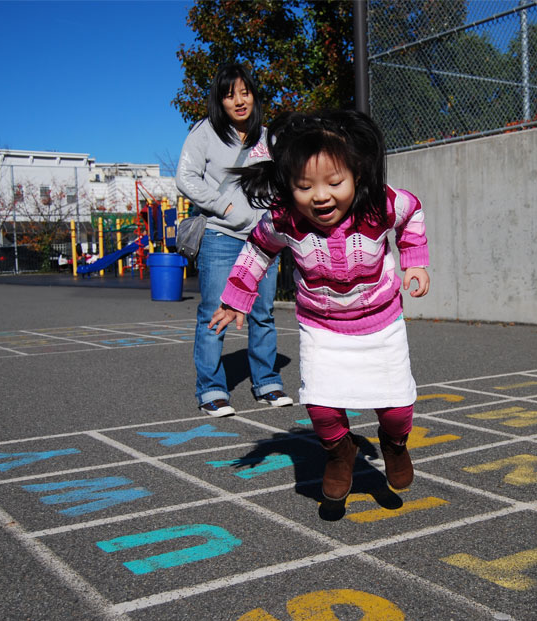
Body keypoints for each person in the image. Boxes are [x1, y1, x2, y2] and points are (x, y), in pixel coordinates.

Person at [209, 109, 430, 502]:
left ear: (357, 175)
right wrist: (235, 299)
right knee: (322, 407)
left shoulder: (380, 204)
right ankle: (339, 452)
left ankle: (395, 445)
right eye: (305, 186)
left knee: (397, 408)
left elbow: (412, 214)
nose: (321, 195)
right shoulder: (286, 219)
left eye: (334, 182)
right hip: (322, 327)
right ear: (289, 186)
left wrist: (415, 261)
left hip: (381, 323)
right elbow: (258, 249)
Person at [176, 63, 293, 417]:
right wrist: (224, 205)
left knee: (264, 312)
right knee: (214, 313)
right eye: (230, 95)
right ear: (220, 101)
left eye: (245, 92)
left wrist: (277, 219)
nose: (239, 101)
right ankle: (211, 389)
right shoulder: (205, 133)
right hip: (221, 236)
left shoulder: (268, 138)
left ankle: (268, 382)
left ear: (254, 95)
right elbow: (186, 178)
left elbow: (283, 182)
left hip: (263, 240)